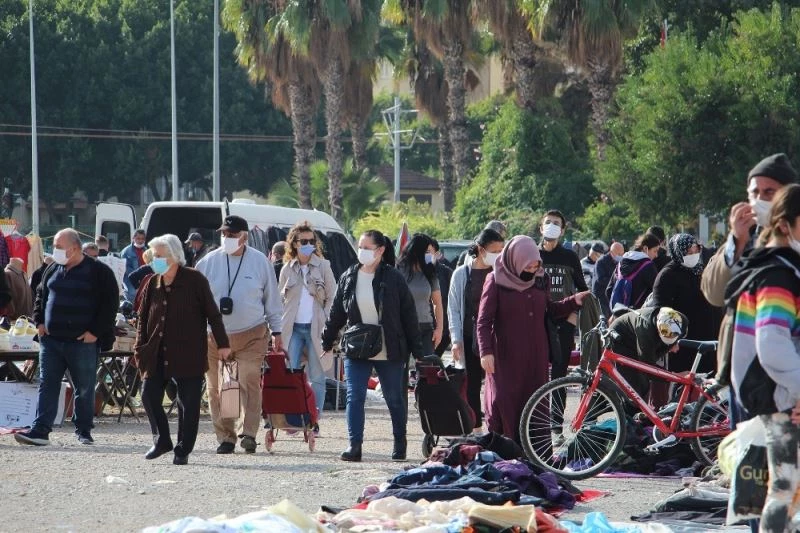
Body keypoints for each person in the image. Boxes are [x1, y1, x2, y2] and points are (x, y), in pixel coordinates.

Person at [729, 184, 800, 532]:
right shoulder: (778, 273)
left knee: (786, 491)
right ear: (786, 225)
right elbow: (772, 345)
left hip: (781, 395)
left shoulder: (778, 266)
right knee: (785, 489)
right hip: (781, 397)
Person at [321, 230, 424, 462]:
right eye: (360, 246)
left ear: (380, 251)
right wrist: (327, 340)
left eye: (367, 247)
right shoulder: (349, 276)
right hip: (357, 346)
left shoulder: (393, 278)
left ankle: (400, 440)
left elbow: (409, 316)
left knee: (394, 398)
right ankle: (354, 445)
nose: (362, 251)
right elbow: (337, 312)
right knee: (354, 396)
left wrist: (418, 352)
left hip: (389, 346)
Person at [477, 235, 589, 443]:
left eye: (536, 265)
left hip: (536, 356)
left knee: (536, 406)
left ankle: (536, 456)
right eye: (527, 267)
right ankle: (506, 456)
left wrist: (574, 301)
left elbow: (551, 310)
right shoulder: (495, 280)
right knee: (505, 403)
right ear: (515, 260)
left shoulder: (541, 279)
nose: (531, 271)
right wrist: (486, 352)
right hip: (506, 357)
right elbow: (483, 321)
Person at [15, 229, 118, 447]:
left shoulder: (99, 271)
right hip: (51, 341)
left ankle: (83, 431)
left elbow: (110, 304)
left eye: (59, 246)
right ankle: (40, 430)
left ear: (74, 248)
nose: (56, 250)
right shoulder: (52, 268)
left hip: (82, 342)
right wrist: (39, 322)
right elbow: (40, 295)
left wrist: (95, 332)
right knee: (47, 384)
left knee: (84, 387)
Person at [134, 234, 230, 465]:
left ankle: (183, 448)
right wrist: (139, 347)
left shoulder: (194, 280)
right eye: (153, 255)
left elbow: (213, 314)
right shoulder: (152, 282)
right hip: (156, 351)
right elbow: (143, 317)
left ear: (174, 256)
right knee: (148, 395)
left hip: (188, 352)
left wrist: (223, 343)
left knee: (188, 403)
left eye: (160, 256)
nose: (155, 260)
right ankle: (162, 440)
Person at [196, 215, 283, 455]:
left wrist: (277, 331)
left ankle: (249, 433)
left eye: (232, 235)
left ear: (244, 236)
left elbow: (272, 300)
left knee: (247, 380)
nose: (227, 238)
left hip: (252, 334)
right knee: (220, 388)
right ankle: (226, 437)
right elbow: (196, 302)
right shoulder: (207, 262)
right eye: (224, 234)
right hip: (214, 337)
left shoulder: (259, 262)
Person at [702, 153, 798, 307]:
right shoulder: (743, 238)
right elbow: (714, 295)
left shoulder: (796, 238)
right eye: (755, 192)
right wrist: (736, 241)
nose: (760, 199)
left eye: (769, 192)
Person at [278, 221, 336, 433]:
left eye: (312, 241)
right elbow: (279, 300)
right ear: (294, 243)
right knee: (289, 373)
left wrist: (328, 321)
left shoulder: (324, 266)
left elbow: (333, 297)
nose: (309, 244)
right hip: (292, 328)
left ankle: (314, 420)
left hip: (316, 328)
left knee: (317, 376)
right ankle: (292, 419)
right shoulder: (287, 268)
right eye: (304, 241)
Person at [448, 228, 504, 432]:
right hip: (470, 337)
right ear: (481, 250)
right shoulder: (461, 274)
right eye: (495, 250)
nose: (498, 255)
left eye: (501, 250)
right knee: (471, 385)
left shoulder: (501, 273)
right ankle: (476, 429)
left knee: (496, 384)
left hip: (496, 339)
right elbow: (453, 308)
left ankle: (497, 428)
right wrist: (456, 339)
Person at [650, 234, 721, 375]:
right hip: (685, 345)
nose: (694, 255)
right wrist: (670, 341)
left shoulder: (702, 268)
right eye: (689, 252)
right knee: (687, 386)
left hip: (710, 340)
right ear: (678, 252)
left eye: (696, 251)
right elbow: (660, 311)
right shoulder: (667, 276)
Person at [538, 210, 588, 393]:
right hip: (538, 322)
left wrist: (573, 316)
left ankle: (557, 420)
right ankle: (537, 418)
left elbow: (583, 289)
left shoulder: (570, 257)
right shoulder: (533, 255)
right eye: (548, 222)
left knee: (559, 376)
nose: (552, 226)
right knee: (538, 374)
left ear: (562, 230)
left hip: (565, 322)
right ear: (541, 228)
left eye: (557, 223)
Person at [607, 306, 688, 402]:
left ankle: (641, 407)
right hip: (622, 339)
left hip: (641, 335)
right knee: (632, 385)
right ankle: (629, 411)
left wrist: (673, 344)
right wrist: (676, 376)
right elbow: (648, 369)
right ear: (658, 329)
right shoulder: (646, 332)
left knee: (644, 382)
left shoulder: (681, 320)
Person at [396, 234, 444, 356]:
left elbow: (437, 303)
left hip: (425, 328)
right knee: (401, 371)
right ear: (417, 251)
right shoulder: (399, 271)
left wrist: (439, 329)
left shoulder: (430, 273)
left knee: (426, 370)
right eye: (427, 251)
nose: (430, 255)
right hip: (402, 327)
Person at [605, 233, 660, 313]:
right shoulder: (648, 265)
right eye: (655, 251)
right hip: (637, 316)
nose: (656, 255)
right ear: (645, 248)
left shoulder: (621, 263)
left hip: (618, 316)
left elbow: (608, 290)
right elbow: (657, 291)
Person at [430, 238, 454, 356]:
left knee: (432, 362)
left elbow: (454, 302)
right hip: (420, 329)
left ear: (437, 254)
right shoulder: (412, 273)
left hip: (443, 329)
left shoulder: (447, 273)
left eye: (428, 252)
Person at [592, 242, 624, 317]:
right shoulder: (601, 262)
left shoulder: (619, 262)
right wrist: (616, 281)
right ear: (611, 252)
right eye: (619, 254)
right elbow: (601, 279)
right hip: (600, 296)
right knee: (604, 318)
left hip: (611, 295)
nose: (621, 256)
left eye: (622, 254)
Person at [121, 229, 148, 302]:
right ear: (133, 238)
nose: (140, 241)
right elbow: (125, 267)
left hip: (143, 278)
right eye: (138, 238)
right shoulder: (126, 251)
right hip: (130, 279)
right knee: (133, 294)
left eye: (142, 239)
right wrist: (137, 275)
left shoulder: (146, 250)